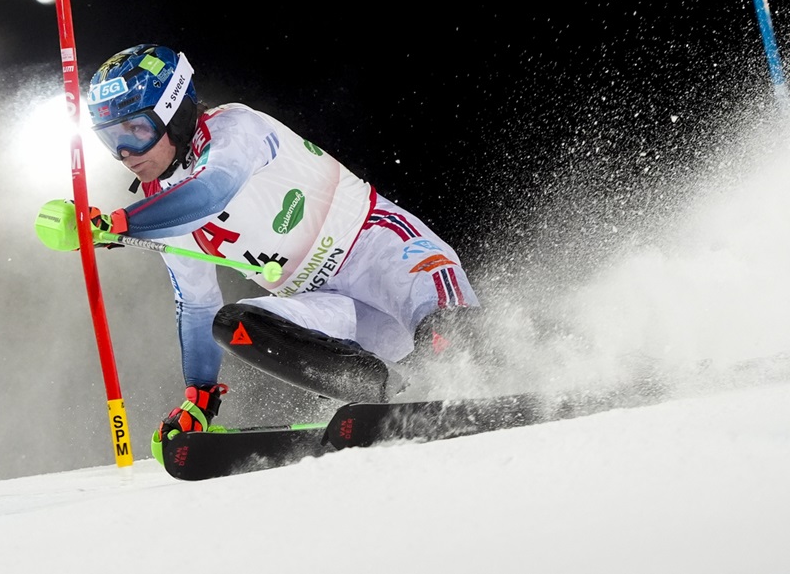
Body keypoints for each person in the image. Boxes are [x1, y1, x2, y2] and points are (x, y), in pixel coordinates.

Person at [67, 44, 481, 461]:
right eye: (111, 138)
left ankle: (480, 369)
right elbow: (196, 304)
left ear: (175, 113)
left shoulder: (235, 128)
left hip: (379, 249)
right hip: (327, 305)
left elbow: (212, 191)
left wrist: (119, 223)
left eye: (136, 130)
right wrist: (201, 396)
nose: (124, 152)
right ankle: (388, 391)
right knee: (233, 323)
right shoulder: (161, 206)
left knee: (450, 337)